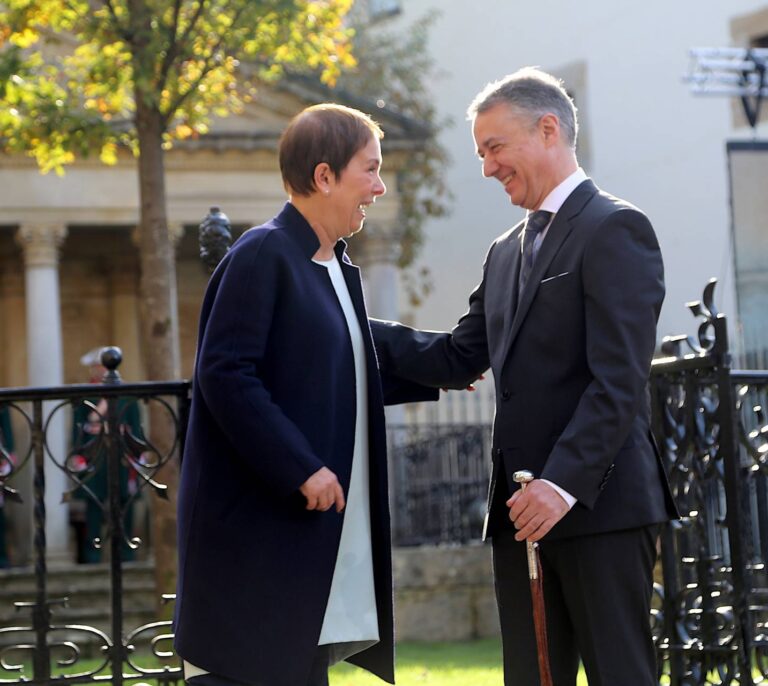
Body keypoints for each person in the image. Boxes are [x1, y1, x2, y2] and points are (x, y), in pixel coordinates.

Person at [371, 68, 678, 685]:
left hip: (600, 509)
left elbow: (618, 381)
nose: (487, 167)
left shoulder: (616, 228)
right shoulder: (504, 250)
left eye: (493, 148)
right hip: (519, 518)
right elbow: (459, 357)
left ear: (547, 129)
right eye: (481, 153)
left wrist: (558, 485)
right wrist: (344, 320)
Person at [173, 103, 438, 686]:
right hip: (253, 553)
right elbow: (225, 374)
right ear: (324, 176)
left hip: (294, 556)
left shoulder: (331, 266)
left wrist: (441, 368)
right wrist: (302, 468)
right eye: (368, 170)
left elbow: (335, 368)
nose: (379, 185)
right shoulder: (262, 253)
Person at [70, 348, 143, 563]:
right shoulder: (86, 396)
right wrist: (78, 454)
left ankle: (126, 553)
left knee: (124, 504)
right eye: (98, 366)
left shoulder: (126, 394)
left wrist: (137, 454)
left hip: (122, 455)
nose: (101, 370)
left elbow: (135, 428)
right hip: (97, 455)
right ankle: (93, 554)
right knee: (94, 505)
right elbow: (78, 430)